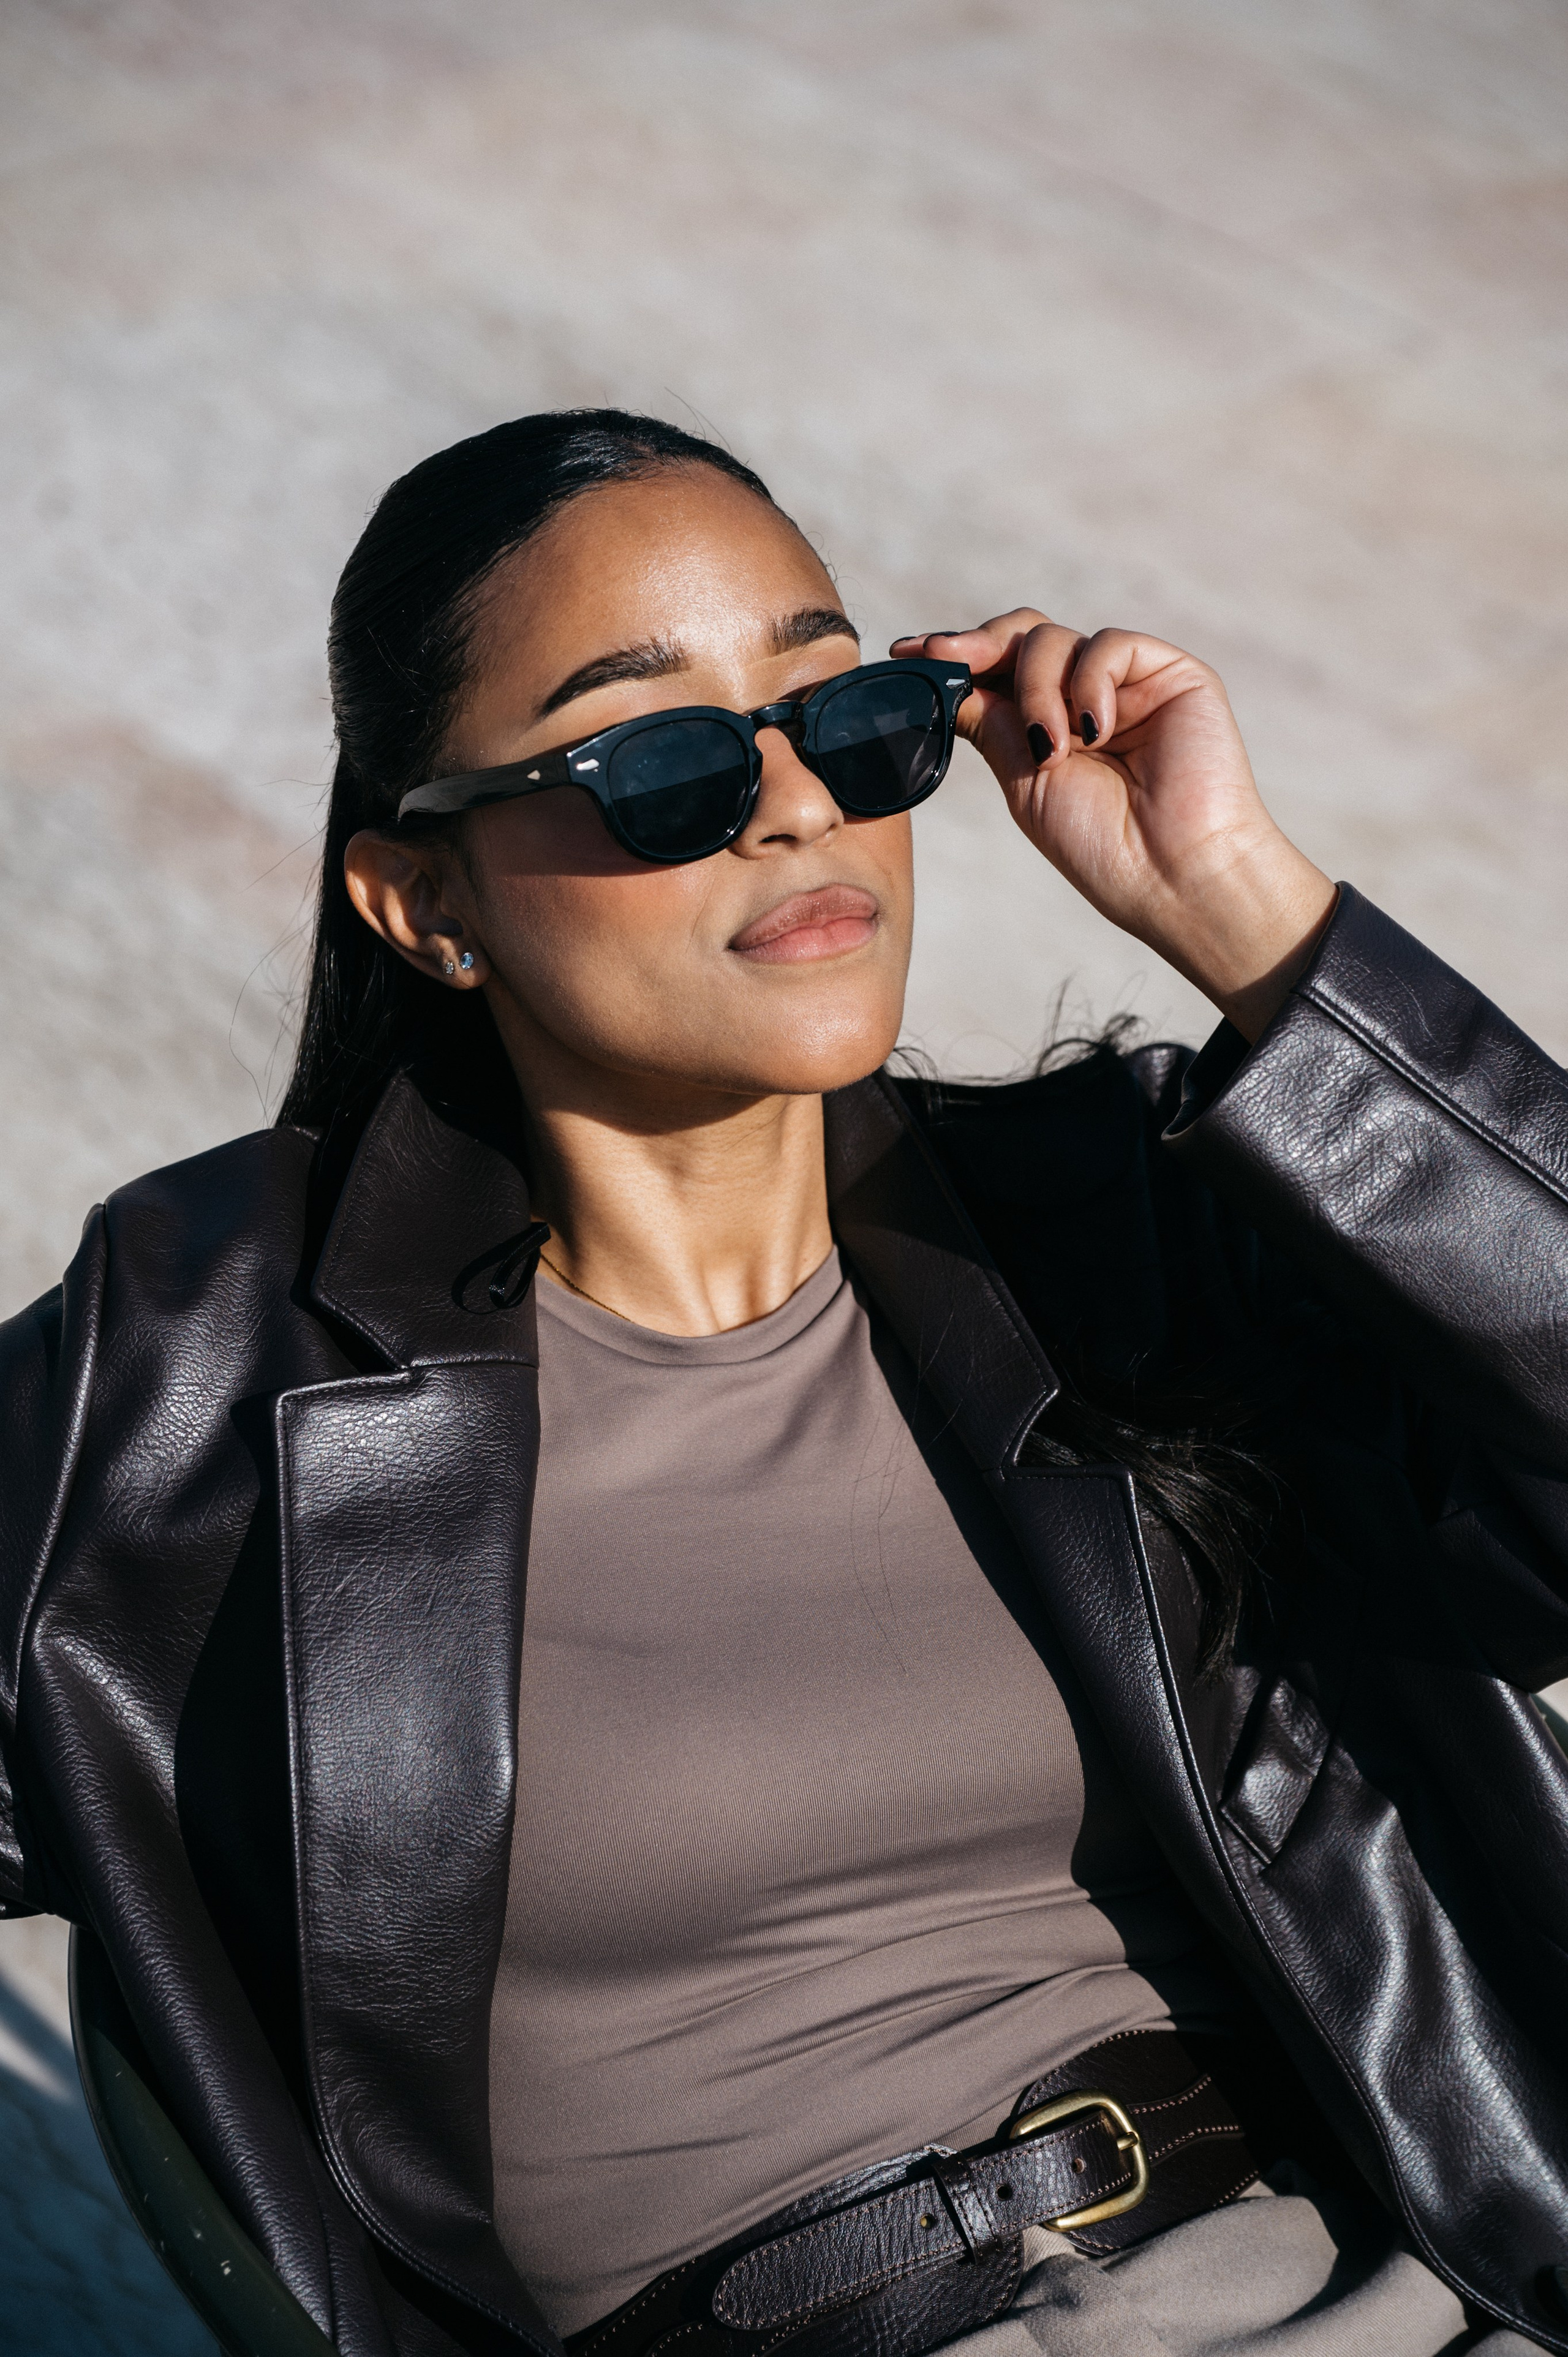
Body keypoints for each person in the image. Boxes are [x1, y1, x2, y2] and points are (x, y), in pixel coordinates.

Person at [1, 409, 1565, 2357]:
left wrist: (1253, 922)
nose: (792, 810)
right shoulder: (203, 1364)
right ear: (426, 902)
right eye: (653, 760)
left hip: (1403, 2285)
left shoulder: (1126, 1246)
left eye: (845, 722)